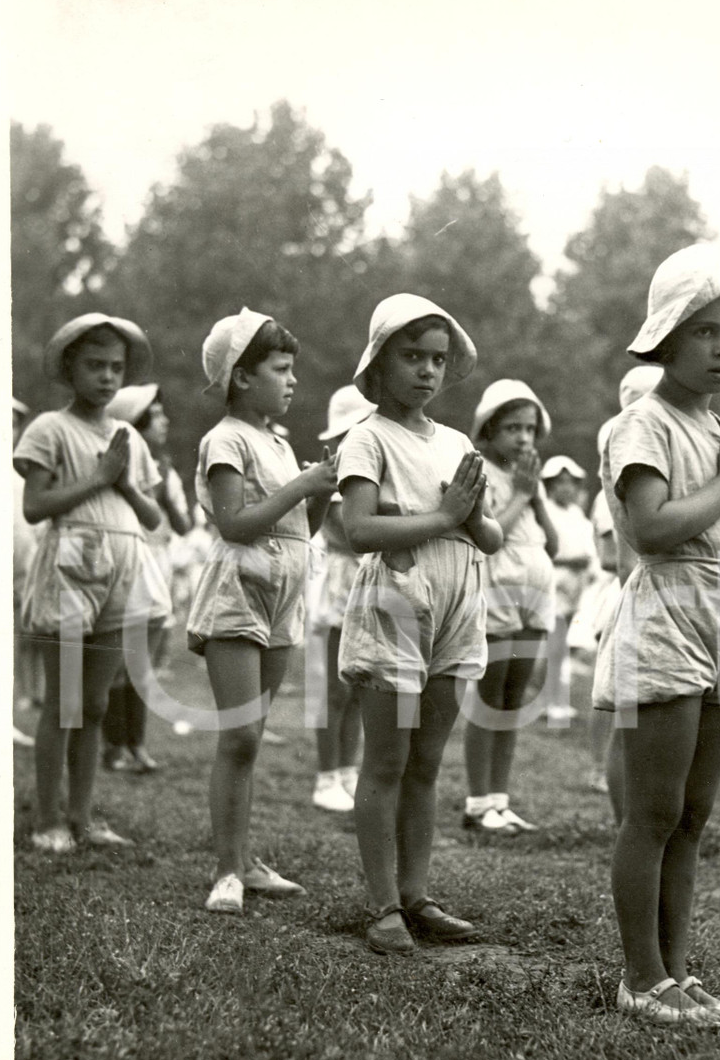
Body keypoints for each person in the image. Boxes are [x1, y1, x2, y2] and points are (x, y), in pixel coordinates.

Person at [593, 242, 720, 1028]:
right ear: (667, 335)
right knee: (654, 812)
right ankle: (640, 976)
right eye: (706, 332)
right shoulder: (643, 425)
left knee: (694, 818)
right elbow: (652, 530)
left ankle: (677, 973)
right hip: (671, 625)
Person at [337, 294, 502, 954]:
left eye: (437, 359)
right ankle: (381, 905)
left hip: (459, 599)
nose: (427, 371)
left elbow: (487, 535)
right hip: (399, 600)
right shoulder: (368, 437)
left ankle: (416, 894)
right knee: (387, 760)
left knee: (427, 762)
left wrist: (471, 514)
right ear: (379, 364)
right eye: (412, 356)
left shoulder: (457, 442)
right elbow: (357, 528)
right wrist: (442, 517)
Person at [188, 308, 338, 913]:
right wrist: (302, 485)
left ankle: (246, 862)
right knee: (241, 735)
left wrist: (320, 492)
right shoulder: (225, 438)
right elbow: (235, 524)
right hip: (239, 591)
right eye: (281, 369)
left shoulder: (278, 442)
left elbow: (304, 527)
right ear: (242, 378)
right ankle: (227, 869)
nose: (292, 380)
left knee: (252, 737)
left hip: (284, 595)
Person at [13, 314, 171, 851]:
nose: (107, 378)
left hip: (123, 567)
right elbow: (35, 507)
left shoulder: (127, 437)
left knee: (98, 704)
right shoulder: (50, 429)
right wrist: (97, 479)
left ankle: (83, 816)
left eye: (116, 368)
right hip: (70, 566)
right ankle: (47, 819)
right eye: (94, 366)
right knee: (65, 701)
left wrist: (122, 483)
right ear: (69, 369)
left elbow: (152, 517)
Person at [462, 379, 558, 833]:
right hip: (498, 586)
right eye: (512, 428)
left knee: (515, 698)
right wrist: (521, 493)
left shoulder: (529, 482)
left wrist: (536, 495)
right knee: (491, 693)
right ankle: (478, 802)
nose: (523, 438)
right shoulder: (483, 475)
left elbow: (553, 544)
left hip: (534, 592)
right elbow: (488, 536)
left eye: (530, 429)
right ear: (489, 430)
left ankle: (500, 799)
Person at [101, 383, 192, 773]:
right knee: (120, 664)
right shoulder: (120, 467)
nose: (165, 421)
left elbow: (184, 525)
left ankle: (135, 744)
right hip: (127, 563)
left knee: (143, 667)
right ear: (136, 424)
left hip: (158, 566)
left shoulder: (165, 470)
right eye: (155, 415)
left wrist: (166, 489)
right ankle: (114, 747)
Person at [590, 366, 663, 808]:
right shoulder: (620, 470)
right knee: (626, 711)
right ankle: (620, 805)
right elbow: (622, 558)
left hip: (661, 596)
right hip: (639, 598)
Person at [306, 384, 371, 813]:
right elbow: (346, 535)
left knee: (359, 686)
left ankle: (348, 770)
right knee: (334, 689)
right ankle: (326, 776)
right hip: (340, 584)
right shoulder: (335, 481)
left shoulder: (371, 478)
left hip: (370, 584)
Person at [540, 455, 598, 724]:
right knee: (554, 648)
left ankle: (554, 700)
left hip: (574, 589)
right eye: (560, 482)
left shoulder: (576, 515)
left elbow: (588, 551)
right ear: (549, 486)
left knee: (562, 648)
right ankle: (553, 703)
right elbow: (543, 551)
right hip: (551, 587)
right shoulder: (545, 513)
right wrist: (572, 561)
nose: (566, 488)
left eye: (571, 483)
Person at [12, 398, 42, 747]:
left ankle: (7, 717)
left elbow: (32, 529)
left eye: (16, 423)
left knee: (21, 641)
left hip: (21, 576)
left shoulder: (20, 475)